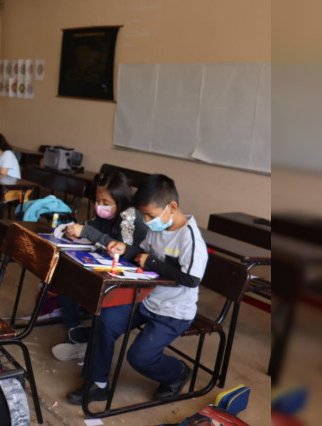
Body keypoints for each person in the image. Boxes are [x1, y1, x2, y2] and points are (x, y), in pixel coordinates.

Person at [66, 174, 208, 405]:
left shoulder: (189, 239)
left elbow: (191, 279)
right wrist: (124, 249)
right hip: (146, 301)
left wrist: (151, 262)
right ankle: (97, 384)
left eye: (150, 215)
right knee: (105, 321)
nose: (148, 220)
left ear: (172, 207)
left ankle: (177, 372)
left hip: (173, 312)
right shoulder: (157, 228)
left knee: (139, 357)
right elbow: (139, 253)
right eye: (145, 215)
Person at [50, 171, 147, 361]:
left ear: (120, 200)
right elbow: (92, 226)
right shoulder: (105, 215)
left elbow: (121, 249)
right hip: (107, 267)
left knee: (85, 282)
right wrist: (77, 232)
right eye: (97, 200)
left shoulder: (129, 216)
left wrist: (87, 232)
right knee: (65, 274)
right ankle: (74, 329)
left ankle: (89, 340)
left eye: (105, 202)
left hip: (130, 273)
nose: (99, 206)